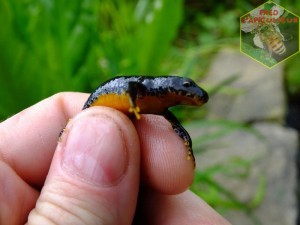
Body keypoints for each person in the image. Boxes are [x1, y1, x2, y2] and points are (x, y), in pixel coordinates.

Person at [0, 92, 231, 225]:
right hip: (98, 106)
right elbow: (132, 87)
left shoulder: (159, 106)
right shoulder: (147, 89)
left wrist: (185, 142)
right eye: (187, 88)